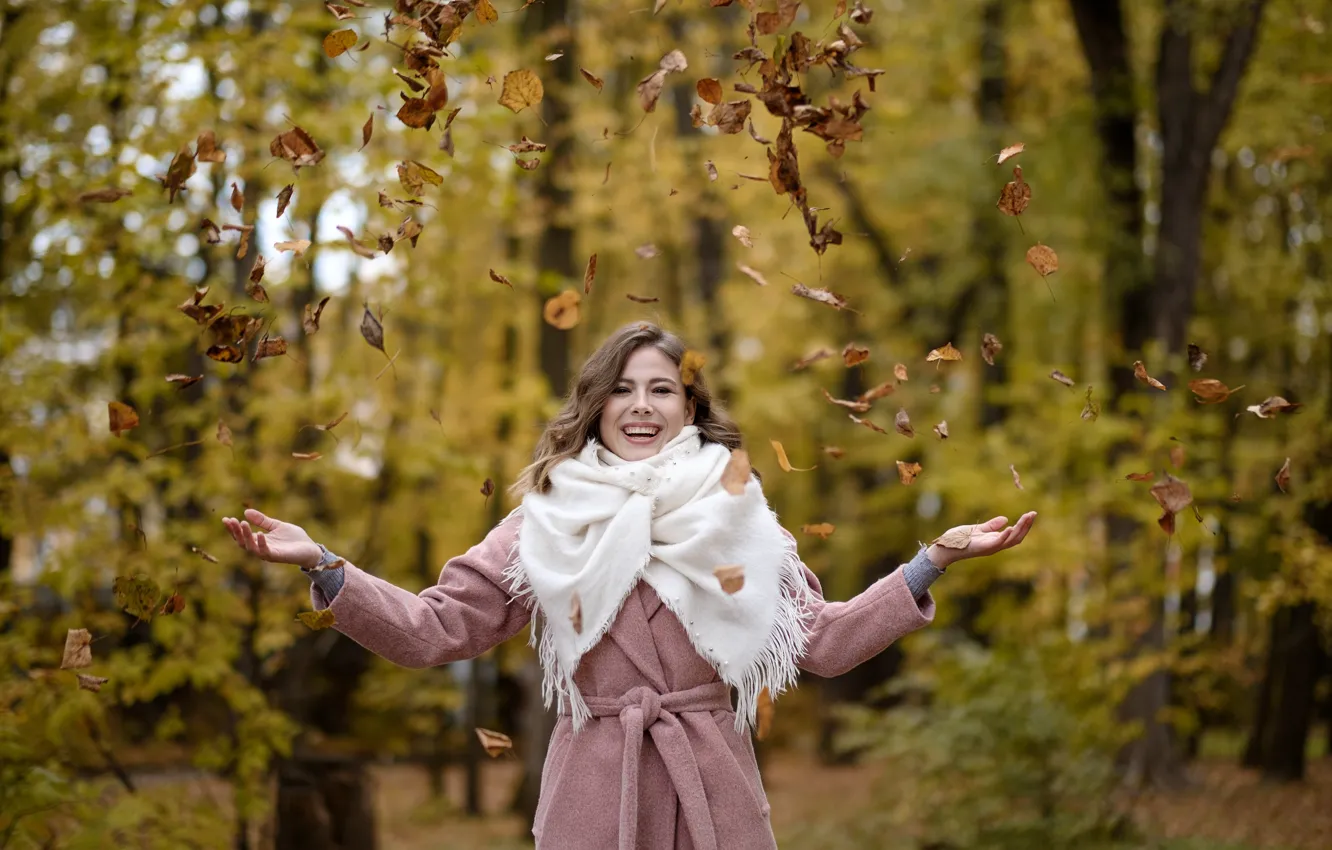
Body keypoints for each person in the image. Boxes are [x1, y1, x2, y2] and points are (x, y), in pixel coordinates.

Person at [222, 322, 1036, 849]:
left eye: (661, 389)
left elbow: (821, 643)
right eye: (622, 387)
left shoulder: (741, 516)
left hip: (713, 798)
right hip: (592, 801)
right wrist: (325, 564)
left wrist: (932, 559)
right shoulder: (544, 522)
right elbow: (435, 630)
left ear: (690, 406)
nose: (640, 405)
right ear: (595, 404)